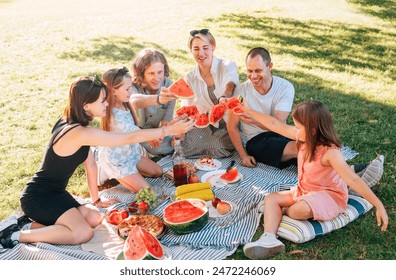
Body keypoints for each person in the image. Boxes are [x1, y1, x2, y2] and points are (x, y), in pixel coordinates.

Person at [0, 75, 193, 249]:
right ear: (86, 105)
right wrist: (167, 131)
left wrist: (96, 199)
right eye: (102, 101)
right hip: (38, 197)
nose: (107, 104)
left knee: (94, 218)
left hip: (56, 193)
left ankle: (28, 224)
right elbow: (127, 137)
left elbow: (90, 165)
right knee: (83, 233)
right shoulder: (77, 133)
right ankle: (17, 234)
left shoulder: (75, 123)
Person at [242, 100, 389, 259]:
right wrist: (247, 110)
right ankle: (269, 239)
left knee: (299, 210)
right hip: (305, 191)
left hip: (328, 195)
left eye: (298, 127)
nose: (295, 130)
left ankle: (284, 211)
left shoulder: (331, 153)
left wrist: (378, 204)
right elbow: (275, 124)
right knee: (270, 198)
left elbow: (353, 180)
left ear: (312, 130)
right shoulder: (304, 139)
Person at [98, 67, 179, 192]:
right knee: (149, 193)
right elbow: (135, 134)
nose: (131, 92)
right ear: (113, 91)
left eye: (130, 87)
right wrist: (169, 130)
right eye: (127, 89)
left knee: (158, 172)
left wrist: (151, 138)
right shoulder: (114, 116)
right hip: (119, 161)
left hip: (131, 154)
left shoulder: (124, 103)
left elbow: (134, 128)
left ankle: (133, 177)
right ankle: (110, 172)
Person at [227, 47, 297, 169]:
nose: (253, 76)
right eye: (249, 71)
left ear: (270, 66)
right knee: (299, 148)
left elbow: (278, 123)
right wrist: (243, 155)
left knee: (312, 146)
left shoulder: (285, 87)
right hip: (256, 140)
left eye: (258, 70)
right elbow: (231, 126)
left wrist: (253, 120)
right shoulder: (241, 91)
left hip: (280, 132)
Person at [177, 28, 239, 158]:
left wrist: (223, 98)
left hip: (228, 123)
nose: (201, 53)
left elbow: (230, 84)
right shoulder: (190, 77)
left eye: (205, 48)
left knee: (217, 146)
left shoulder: (227, 66)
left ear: (213, 47)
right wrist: (180, 126)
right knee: (183, 145)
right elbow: (187, 108)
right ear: (191, 50)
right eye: (196, 49)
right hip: (206, 125)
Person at [130, 48, 176, 157]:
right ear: (141, 74)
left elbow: (166, 121)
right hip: (136, 133)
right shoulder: (132, 86)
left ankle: (145, 153)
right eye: (151, 73)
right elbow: (133, 101)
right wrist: (158, 99)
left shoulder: (170, 86)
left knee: (171, 144)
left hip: (158, 133)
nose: (157, 78)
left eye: (160, 72)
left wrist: (158, 137)